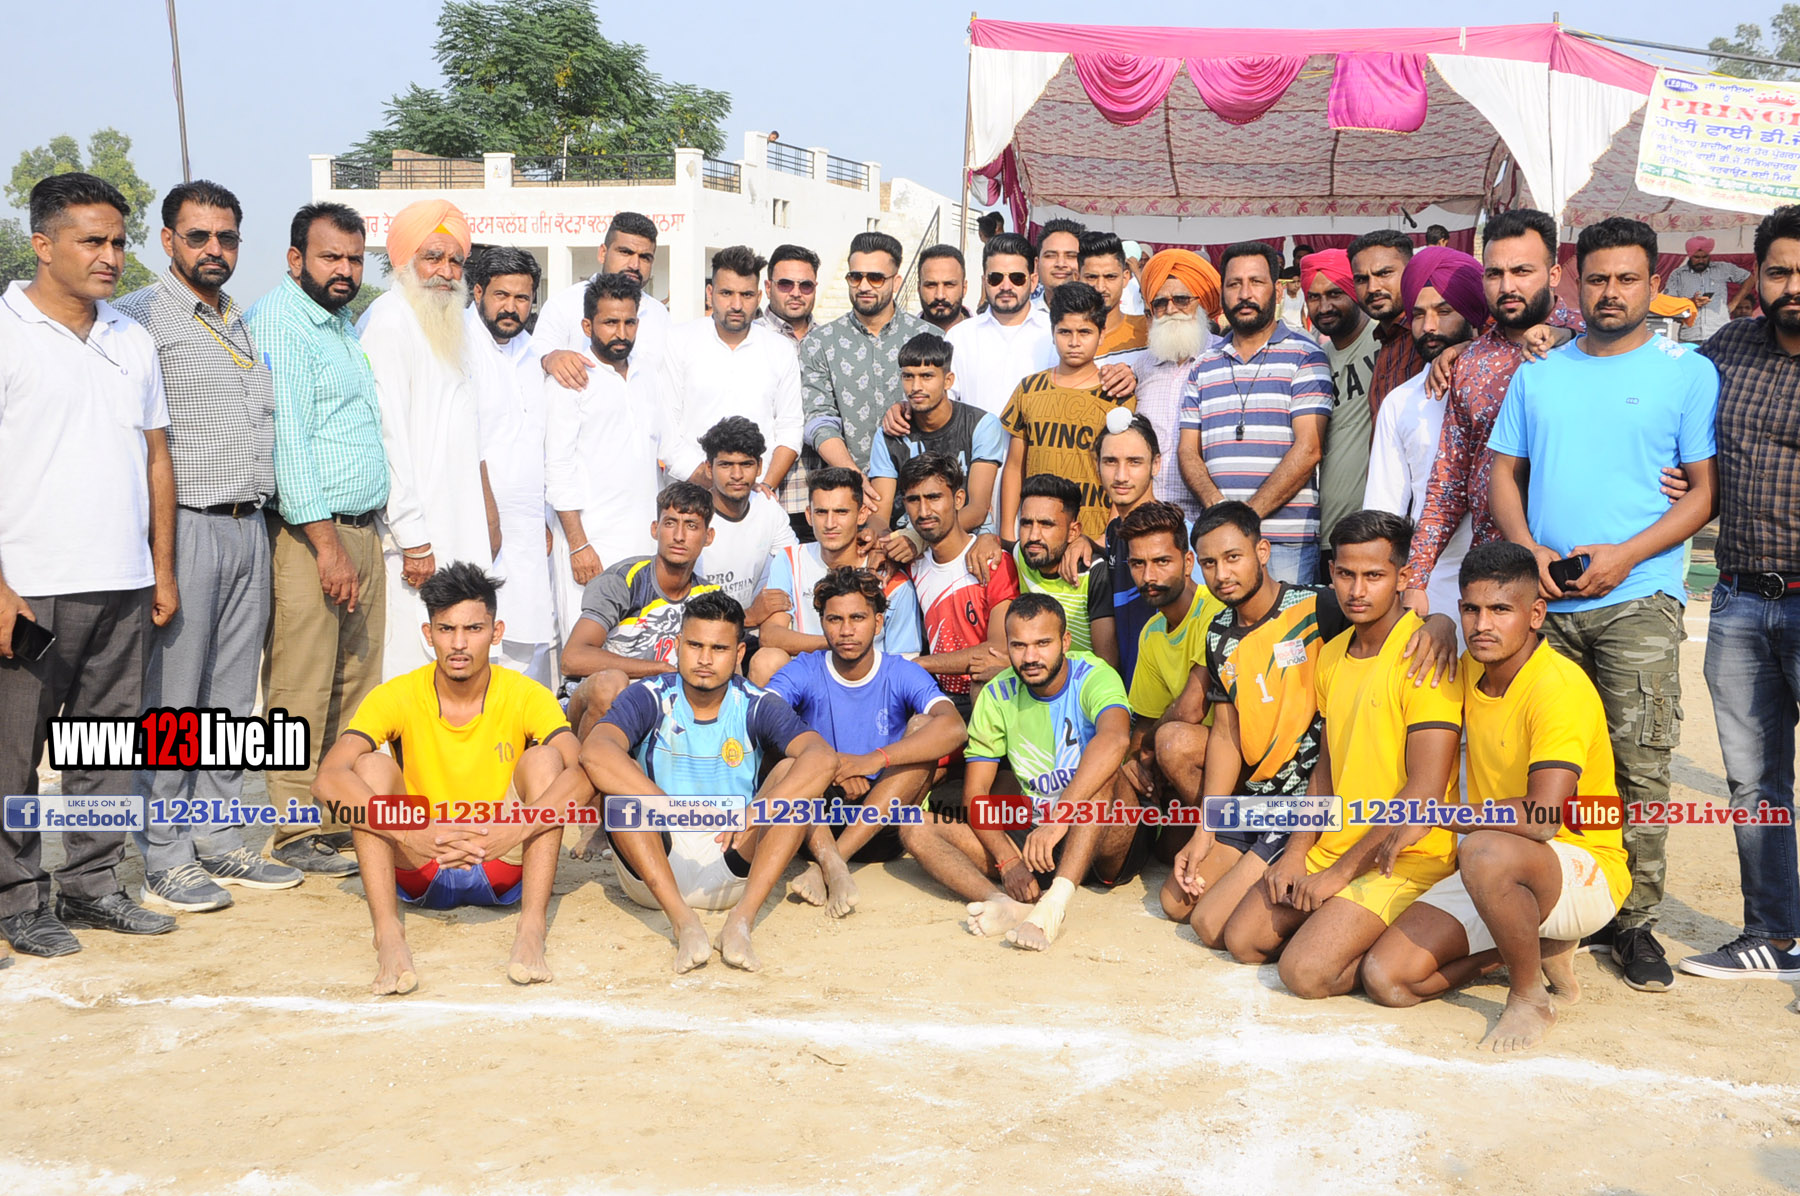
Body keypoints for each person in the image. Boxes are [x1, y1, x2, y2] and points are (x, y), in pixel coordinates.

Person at [1488, 216, 1720, 992]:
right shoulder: (1539, 373)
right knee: (1551, 763)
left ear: (1654, 283)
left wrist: (1626, 554)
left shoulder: (1686, 372)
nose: (1610, 292)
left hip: (1639, 597)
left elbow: (1703, 494)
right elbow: (1503, 474)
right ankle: (1566, 905)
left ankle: (1636, 921)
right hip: (1548, 604)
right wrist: (1530, 553)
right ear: (1572, 284)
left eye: (1626, 279)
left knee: (1639, 760)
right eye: (1596, 279)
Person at [0, 173, 179, 954]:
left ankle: (93, 885)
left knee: (103, 750)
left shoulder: (131, 339)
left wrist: (161, 570)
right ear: (43, 244)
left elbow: (156, 458)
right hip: (31, 591)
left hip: (124, 584)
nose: (111, 256)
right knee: (12, 756)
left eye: (117, 242)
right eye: (92, 241)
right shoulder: (6, 332)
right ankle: (14, 901)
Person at [1360, 542, 1630, 1053]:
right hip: (1499, 863)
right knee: (1387, 979)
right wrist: (1438, 621)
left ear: (1535, 614)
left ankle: (1529, 997)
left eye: (1501, 610)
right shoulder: (1466, 666)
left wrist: (1435, 816)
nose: (1482, 624)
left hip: (1582, 868)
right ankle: (1529, 945)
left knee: (1482, 848)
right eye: (1470, 609)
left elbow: (1544, 817)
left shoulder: (1559, 688)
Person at [114, 180, 302, 910]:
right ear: (168, 240)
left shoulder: (236, 318)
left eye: (226, 237)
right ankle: (164, 852)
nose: (214, 249)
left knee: (230, 699)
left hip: (248, 523)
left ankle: (220, 838)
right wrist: (155, 556)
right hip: (184, 524)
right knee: (173, 701)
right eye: (199, 237)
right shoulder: (139, 319)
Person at [311, 563, 587, 995]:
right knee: (369, 768)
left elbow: (583, 774)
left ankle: (531, 930)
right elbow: (327, 780)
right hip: (420, 862)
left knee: (546, 760)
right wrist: (411, 831)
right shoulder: (397, 694)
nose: (459, 644)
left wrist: (516, 827)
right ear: (429, 633)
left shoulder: (526, 694)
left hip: (503, 859)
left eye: (473, 629)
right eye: (446, 629)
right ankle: (388, 935)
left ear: (495, 632)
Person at [1222, 511, 1462, 998]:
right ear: (1331, 572)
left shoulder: (1423, 657)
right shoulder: (1332, 654)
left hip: (1405, 854)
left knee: (1304, 973)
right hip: (1337, 842)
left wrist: (1339, 875)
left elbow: (1425, 791)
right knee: (1242, 940)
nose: (1357, 590)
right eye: (1346, 574)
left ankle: (1395, 954)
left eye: (1373, 576)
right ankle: (1344, 928)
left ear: (1403, 577)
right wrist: (1296, 853)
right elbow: (1326, 767)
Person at [580, 591, 838, 973]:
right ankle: (683, 923)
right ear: (678, 645)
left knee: (791, 777)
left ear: (738, 654)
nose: (704, 658)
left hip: (732, 858)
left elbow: (823, 759)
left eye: (718, 648)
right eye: (695, 645)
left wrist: (759, 810)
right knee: (622, 789)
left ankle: (741, 922)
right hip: (654, 866)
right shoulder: (649, 695)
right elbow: (595, 751)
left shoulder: (756, 703)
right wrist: (665, 805)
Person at [246, 201, 388, 876]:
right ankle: (293, 827)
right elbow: (290, 445)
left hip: (360, 528)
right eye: (331, 257)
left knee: (354, 681)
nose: (345, 270)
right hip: (311, 535)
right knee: (300, 684)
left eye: (355, 259)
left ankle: (336, 816)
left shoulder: (338, 322)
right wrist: (328, 547)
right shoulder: (282, 321)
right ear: (295, 258)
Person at [1684, 205, 1800, 982]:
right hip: (1738, 599)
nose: (1793, 286)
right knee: (1754, 781)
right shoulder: (1729, 347)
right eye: (1780, 271)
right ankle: (1774, 935)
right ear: (1756, 275)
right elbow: (1658, 390)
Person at [898, 594, 1141, 951]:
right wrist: (1008, 860)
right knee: (914, 826)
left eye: (1042, 643)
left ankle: (1053, 905)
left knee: (1103, 771)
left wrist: (1060, 818)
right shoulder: (997, 693)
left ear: (1065, 642)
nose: (1030, 657)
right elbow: (976, 794)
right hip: (1035, 839)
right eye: (1019, 645)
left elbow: (1115, 739)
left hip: (1100, 832)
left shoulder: (1093, 675)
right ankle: (1004, 904)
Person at [1159, 502, 1342, 944]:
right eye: (1209, 563)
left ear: (1262, 551)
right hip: (1257, 799)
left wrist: (1435, 625)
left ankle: (1324, 899)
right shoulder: (1217, 633)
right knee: (1175, 902)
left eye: (1232, 557)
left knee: (1211, 925)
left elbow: (1392, 621)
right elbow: (1225, 734)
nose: (1221, 574)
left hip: (1309, 804)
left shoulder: (1319, 606)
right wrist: (1205, 829)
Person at [1402, 208, 1582, 611]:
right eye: (1494, 274)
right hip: (1498, 578)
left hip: (1583, 567)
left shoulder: (1591, 345)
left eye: (1522, 271)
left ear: (1553, 274)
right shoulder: (1471, 363)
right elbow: (1449, 480)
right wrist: (1417, 577)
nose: (1507, 286)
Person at [765, 567, 966, 916]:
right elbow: (763, 713)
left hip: (881, 825)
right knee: (786, 756)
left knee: (924, 726)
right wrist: (831, 765)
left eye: (857, 618)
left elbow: (954, 729)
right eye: (835, 619)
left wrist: (873, 760)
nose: (846, 630)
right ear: (822, 623)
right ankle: (831, 862)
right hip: (816, 825)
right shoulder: (806, 668)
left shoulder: (900, 671)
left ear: (878, 623)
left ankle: (832, 863)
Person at [360, 200, 497, 681]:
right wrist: (414, 539)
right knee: (410, 665)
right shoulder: (389, 321)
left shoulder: (449, 323)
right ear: (403, 261)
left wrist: (486, 514)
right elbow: (387, 437)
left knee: (460, 663)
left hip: (458, 527)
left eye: (455, 260)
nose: (446, 271)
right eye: (433, 257)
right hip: (415, 540)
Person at [1178, 241, 1334, 584]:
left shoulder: (1306, 356)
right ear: (1222, 292)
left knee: (1288, 621)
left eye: (1256, 282)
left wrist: (1245, 517)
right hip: (1219, 542)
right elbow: (1188, 451)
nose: (1245, 294)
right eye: (1234, 284)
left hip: (1285, 541)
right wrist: (1220, 511)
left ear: (1276, 291)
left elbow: (1309, 449)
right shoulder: (1203, 366)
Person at [1364, 247, 1485, 626]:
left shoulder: (1514, 382)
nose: (1429, 326)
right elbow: (1384, 511)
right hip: (1428, 586)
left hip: (1508, 577)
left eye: (1443, 311)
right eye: (1418, 314)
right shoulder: (1401, 402)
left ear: (1473, 311)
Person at [544, 273, 665, 651]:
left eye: (629, 322)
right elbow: (557, 467)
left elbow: (667, 448)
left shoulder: (648, 375)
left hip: (644, 541)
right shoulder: (570, 379)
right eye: (610, 322)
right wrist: (578, 545)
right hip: (591, 544)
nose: (621, 333)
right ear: (587, 326)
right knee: (589, 657)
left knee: (641, 649)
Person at [560, 482, 723, 727]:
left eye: (691, 525)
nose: (679, 536)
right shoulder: (624, 580)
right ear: (655, 529)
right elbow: (572, 658)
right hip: (598, 702)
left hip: (663, 708)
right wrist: (656, 668)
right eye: (670, 523)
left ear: (708, 536)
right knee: (609, 684)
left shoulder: (710, 598)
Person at [465, 246, 555, 686]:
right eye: (501, 295)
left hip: (528, 528)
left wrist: (544, 517)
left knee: (528, 646)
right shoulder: (459, 346)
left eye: (522, 298)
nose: (511, 308)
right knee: (475, 639)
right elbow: (467, 441)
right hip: (477, 522)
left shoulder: (532, 352)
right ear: (478, 292)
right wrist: (488, 513)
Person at [1114, 502, 1224, 860]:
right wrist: (1137, 761)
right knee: (1162, 853)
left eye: (1162, 561)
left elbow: (1191, 708)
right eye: (1138, 564)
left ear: (1188, 562)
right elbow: (1145, 721)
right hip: (1195, 760)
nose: (1149, 576)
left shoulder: (1215, 611)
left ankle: (1230, 837)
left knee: (1171, 741)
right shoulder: (1152, 631)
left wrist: (1151, 747)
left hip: (1238, 758)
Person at [752, 468, 925, 682]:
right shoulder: (789, 560)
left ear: (862, 514)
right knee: (766, 660)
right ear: (808, 515)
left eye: (841, 512)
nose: (830, 524)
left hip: (870, 687)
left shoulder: (891, 580)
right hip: (808, 681)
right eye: (821, 512)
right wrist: (841, 644)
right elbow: (770, 635)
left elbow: (904, 663)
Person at [998, 282, 1136, 541]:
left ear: (1101, 334)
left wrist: (1107, 537)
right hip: (1036, 536)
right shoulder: (1029, 389)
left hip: (1093, 535)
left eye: (1084, 332)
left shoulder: (1117, 396)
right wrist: (1007, 532)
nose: (1074, 342)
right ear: (1052, 332)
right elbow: (1015, 466)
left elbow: (1123, 473)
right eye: (1065, 332)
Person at [658, 246, 802, 493]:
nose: (736, 305)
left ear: (759, 297)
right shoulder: (678, 341)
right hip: (689, 495)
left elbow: (790, 427)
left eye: (746, 295)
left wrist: (763, 487)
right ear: (710, 293)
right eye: (727, 293)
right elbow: (665, 426)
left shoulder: (780, 349)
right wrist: (716, 485)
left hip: (756, 495)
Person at [801, 231, 930, 489]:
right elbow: (818, 420)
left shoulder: (929, 338)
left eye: (875, 278)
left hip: (919, 490)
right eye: (855, 277)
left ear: (896, 282)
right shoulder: (820, 343)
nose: (864, 286)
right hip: (847, 492)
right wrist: (854, 477)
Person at [898, 453, 1017, 702]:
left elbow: (998, 650)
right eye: (913, 500)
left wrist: (921, 664)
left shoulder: (993, 562)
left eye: (934, 497)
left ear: (959, 499)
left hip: (989, 693)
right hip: (936, 695)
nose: (924, 511)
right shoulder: (911, 565)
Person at [868, 332, 1006, 535]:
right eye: (908, 376)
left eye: (927, 376)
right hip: (903, 538)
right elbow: (879, 514)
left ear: (948, 381)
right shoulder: (889, 434)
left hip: (966, 539)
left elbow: (977, 509)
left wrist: (919, 539)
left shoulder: (981, 425)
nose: (916, 387)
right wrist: (883, 540)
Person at [1131, 249, 1223, 525]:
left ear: (1202, 302)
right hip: (1147, 517)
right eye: (1160, 303)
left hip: (1209, 519)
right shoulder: (1141, 366)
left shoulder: (1225, 358)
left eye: (1182, 300)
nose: (1171, 310)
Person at [535, 211, 669, 382]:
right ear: (603, 253)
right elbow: (536, 361)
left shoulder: (659, 314)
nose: (635, 265)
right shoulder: (563, 305)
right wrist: (548, 359)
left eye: (645, 257)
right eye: (625, 252)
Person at [1303, 249, 1378, 547]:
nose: (1324, 307)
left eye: (1335, 293)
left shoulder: (1387, 340)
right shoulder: (1315, 361)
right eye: (1314, 297)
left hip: (1381, 526)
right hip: (1330, 532)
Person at [692, 416, 798, 614]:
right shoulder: (690, 517)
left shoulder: (768, 507)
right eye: (726, 465)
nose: (737, 475)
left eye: (746, 464)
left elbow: (793, 567)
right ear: (709, 468)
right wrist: (749, 616)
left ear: (759, 467)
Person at [942, 233, 1054, 418]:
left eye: (1017, 278)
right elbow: (944, 402)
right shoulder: (960, 337)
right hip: (973, 438)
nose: (1006, 286)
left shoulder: (1054, 334)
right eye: (996, 278)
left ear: (1033, 281)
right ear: (984, 282)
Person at [760, 243, 824, 537]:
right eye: (786, 284)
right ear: (768, 287)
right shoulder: (751, 338)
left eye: (805, 285)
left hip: (821, 498)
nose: (796, 293)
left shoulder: (830, 340)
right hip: (766, 493)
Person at [1013, 474, 1107, 658]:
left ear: (1073, 532)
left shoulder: (1092, 573)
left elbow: (1107, 662)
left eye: (1046, 524)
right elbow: (999, 544)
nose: (1033, 536)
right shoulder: (1019, 554)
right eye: (1026, 523)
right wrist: (988, 539)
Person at [1347, 229, 1422, 439]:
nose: (1372, 288)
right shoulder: (1385, 339)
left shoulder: (1430, 337)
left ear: (1411, 272)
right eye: (1362, 279)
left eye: (1384, 274)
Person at [1662, 235, 1751, 345]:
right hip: (1690, 336)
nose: (1701, 261)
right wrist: (1691, 302)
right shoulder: (1678, 275)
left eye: (1704, 257)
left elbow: (1749, 278)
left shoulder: (1722, 269)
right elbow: (1669, 303)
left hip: (1719, 333)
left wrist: (1734, 303)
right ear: (1690, 256)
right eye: (1696, 257)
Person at [1078, 232, 1149, 360]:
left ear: (1125, 278)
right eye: (1092, 277)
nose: (1100, 287)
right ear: (1077, 278)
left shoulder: (1148, 333)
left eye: (1110, 277)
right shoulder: (1063, 338)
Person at [1033, 218, 1086, 308]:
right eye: (1050, 256)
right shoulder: (1022, 314)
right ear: (1037, 264)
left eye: (1071, 256)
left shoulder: (1102, 313)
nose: (1060, 264)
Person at [917, 244, 970, 332]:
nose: (940, 296)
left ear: (964, 288)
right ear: (919, 288)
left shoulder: (985, 336)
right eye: (931, 285)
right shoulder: (902, 337)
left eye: (949, 285)